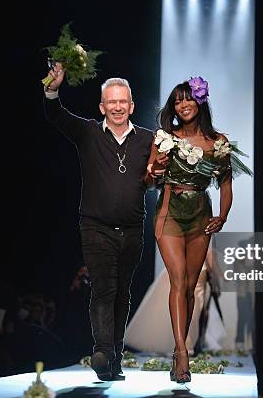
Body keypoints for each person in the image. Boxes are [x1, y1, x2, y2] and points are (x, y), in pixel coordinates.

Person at [43, 63, 153, 381]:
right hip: (95, 227)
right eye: (111, 102)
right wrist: (53, 85)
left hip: (133, 230)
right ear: (102, 106)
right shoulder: (88, 131)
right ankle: (103, 352)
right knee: (104, 286)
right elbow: (56, 115)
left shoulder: (147, 140)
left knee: (122, 293)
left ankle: (113, 359)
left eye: (123, 102)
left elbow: (160, 175)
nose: (117, 107)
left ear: (131, 106)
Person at [146, 77, 251, 383]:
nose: (183, 104)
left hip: (200, 215)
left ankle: (182, 345)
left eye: (188, 98)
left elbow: (227, 185)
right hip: (170, 212)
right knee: (177, 280)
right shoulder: (165, 138)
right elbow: (148, 180)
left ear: (200, 101)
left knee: (190, 286)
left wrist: (223, 216)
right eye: (177, 100)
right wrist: (157, 170)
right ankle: (181, 352)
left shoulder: (218, 142)